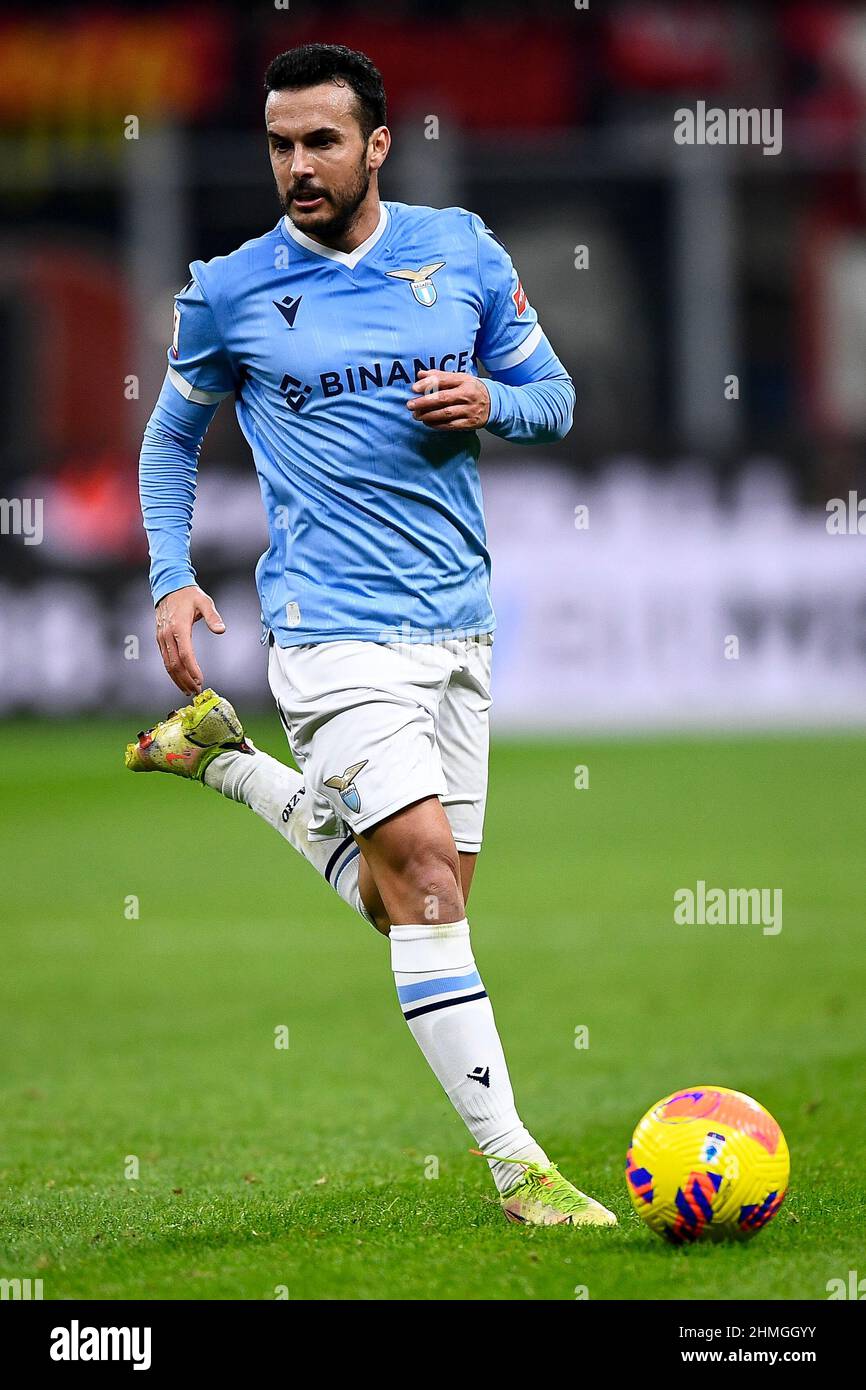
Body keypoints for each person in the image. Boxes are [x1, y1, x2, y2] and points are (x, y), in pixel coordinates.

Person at [126, 42, 616, 1228]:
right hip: (327, 630)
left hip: (456, 625)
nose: (297, 165)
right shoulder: (230, 289)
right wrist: (173, 577)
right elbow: (168, 442)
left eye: (321, 142)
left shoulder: (461, 252)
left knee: (408, 905)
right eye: (281, 144)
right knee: (431, 886)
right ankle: (520, 1173)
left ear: (377, 145)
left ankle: (224, 762)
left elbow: (552, 397)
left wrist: (493, 403)